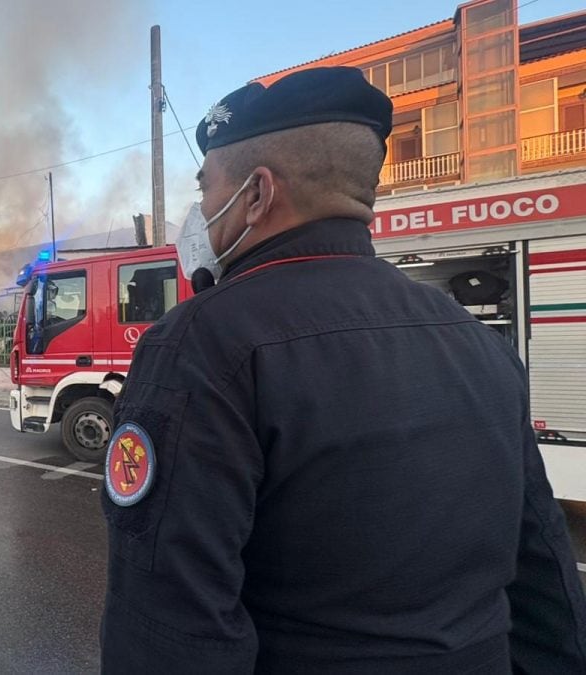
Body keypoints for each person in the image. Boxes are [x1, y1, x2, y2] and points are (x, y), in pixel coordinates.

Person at [99, 66, 586, 673]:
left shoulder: (203, 343)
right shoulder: (473, 337)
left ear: (256, 193)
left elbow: (171, 624)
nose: (200, 212)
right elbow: (543, 569)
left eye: (205, 188)